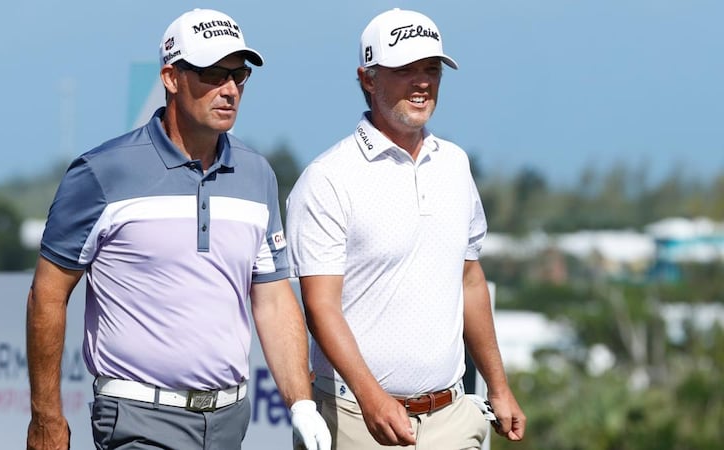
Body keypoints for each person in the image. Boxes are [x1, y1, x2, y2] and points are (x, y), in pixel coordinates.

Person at [26, 8, 330, 450]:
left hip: (230, 421)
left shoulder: (257, 173)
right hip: (138, 418)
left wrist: (301, 404)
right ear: (171, 77)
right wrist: (46, 417)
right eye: (213, 74)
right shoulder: (101, 172)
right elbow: (48, 294)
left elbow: (272, 298)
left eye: (239, 75)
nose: (229, 90)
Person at [285, 8, 526, 450]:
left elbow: (470, 280)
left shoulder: (455, 164)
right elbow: (321, 308)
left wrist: (498, 386)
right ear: (368, 79)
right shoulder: (327, 177)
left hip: (454, 417)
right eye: (405, 70)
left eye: (431, 69)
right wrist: (372, 399)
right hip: (357, 420)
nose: (422, 82)